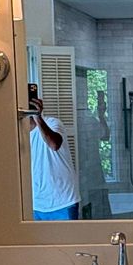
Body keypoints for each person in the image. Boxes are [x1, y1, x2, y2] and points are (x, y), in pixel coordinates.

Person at [24, 82, 80, 220]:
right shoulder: (18, 133)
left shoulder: (53, 123)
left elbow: (54, 144)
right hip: (36, 203)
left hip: (63, 201)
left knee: (68, 235)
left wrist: (37, 117)